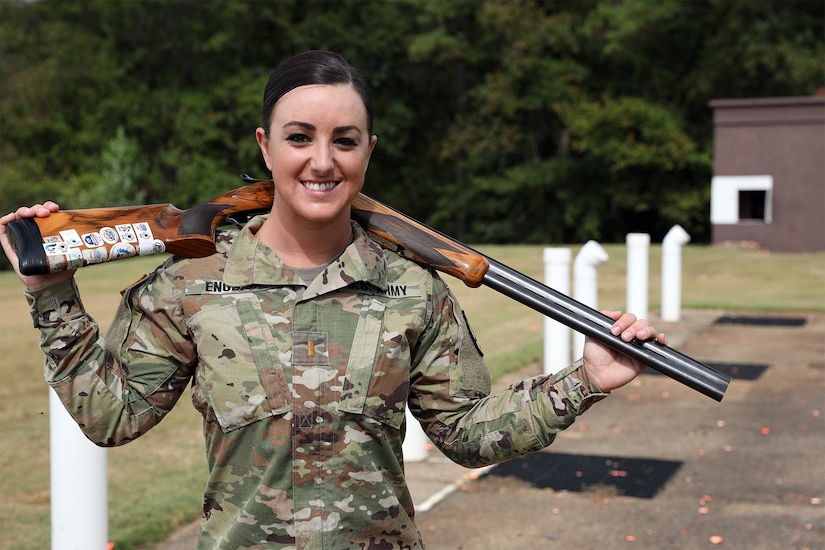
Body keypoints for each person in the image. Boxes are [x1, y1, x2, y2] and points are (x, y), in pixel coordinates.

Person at [0, 50, 666, 549]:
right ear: (265, 147)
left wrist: (585, 380)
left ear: (367, 152)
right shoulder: (189, 282)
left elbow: (464, 435)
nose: (322, 161)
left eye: (343, 140)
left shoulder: (412, 289)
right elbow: (112, 418)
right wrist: (52, 293)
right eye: (299, 137)